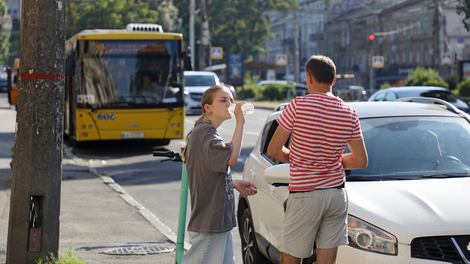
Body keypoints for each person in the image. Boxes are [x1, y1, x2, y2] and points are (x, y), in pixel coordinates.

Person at [267, 55, 368, 264]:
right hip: (336, 194)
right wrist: (330, 162)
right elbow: (360, 161)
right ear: (334, 80)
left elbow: (274, 149)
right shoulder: (349, 112)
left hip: (305, 194)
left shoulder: (297, 106)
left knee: (291, 258)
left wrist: (299, 159)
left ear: (308, 77)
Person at [181, 85, 258, 264]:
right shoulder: (205, 133)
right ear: (207, 108)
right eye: (223, 100)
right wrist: (240, 123)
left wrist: (233, 182)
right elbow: (231, 158)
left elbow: (208, 174)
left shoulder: (204, 132)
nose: (229, 104)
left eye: (230, 100)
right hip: (211, 222)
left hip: (218, 221)